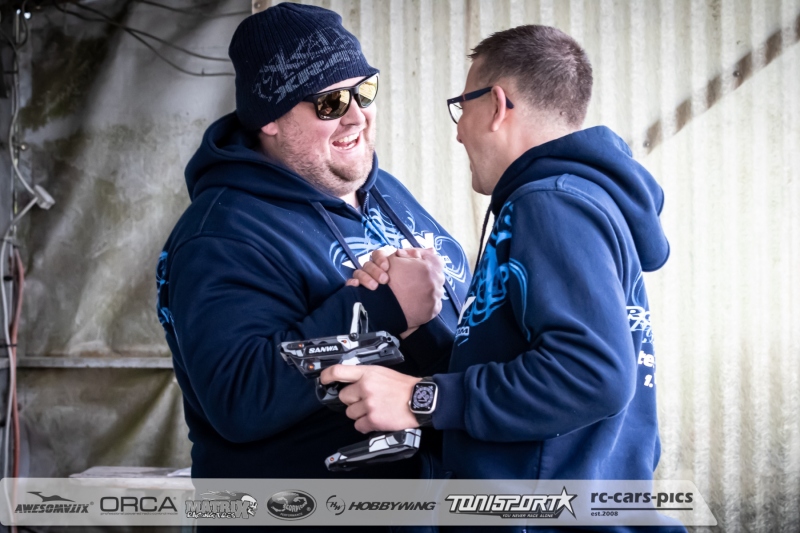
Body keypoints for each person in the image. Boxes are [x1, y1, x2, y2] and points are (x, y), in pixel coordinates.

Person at [324, 24, 682, 532]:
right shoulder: (576, 201)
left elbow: (592, 374)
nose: (458, 132)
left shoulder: (550, 203)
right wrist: (416, 328)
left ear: (496, 105)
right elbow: (522, 355)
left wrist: (420, 399)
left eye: (461, 107)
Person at [155, 2, 469, 488]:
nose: (356, 117)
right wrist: (381, 308)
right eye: (330, 103)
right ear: (269, 119)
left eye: (364, 92)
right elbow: (239, 398)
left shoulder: (384, 191)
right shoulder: (220, 233)